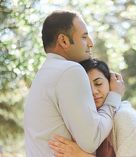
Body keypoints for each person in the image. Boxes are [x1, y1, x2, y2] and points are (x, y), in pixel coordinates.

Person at [24, 10, 125, 157]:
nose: (91, 43)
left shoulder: (42, 75)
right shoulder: (70, 70)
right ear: (64, 41)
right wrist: (114, 96)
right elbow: (92, 139)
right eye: (84, 37)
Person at [48, 59, 136, 157]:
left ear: (110, 83)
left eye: (98, 83)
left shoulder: (125, 117)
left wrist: (81, 155)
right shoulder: (87, 122)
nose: (93, 92)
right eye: (86, 87)